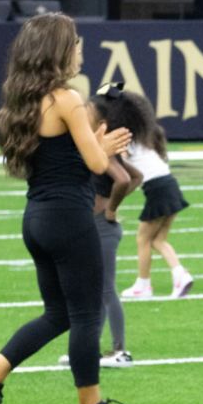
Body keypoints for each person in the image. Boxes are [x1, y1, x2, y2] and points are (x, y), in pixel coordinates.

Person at [0, 13, 141, 404]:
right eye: (75, 43)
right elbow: (95, 164)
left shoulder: (21, 100)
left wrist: (95, 145)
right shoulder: (66, 98)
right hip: (68, 217)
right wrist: (104, 143)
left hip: (37, 216)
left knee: (59, 313)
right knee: (87, 313)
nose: (80, 50)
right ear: (58, 51)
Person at [74, 81, 144, 367]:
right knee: (97, 290)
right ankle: (92, 348)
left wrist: (111, 208)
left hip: (103, 227)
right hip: (98, 226)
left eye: (87, 111)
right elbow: (136, 176)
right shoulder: (97, 147)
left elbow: (126, 180)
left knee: (105, 289)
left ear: (101, 121)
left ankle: (120, 351)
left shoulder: (105, 150)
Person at [117, 90, 193, 300]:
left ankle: (143, 285)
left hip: (159, 189)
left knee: (143, 238)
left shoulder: (127, 140)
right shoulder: (145, 136)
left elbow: (124, 173)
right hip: (169, 185)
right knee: (158, 239)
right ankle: (180, 275)